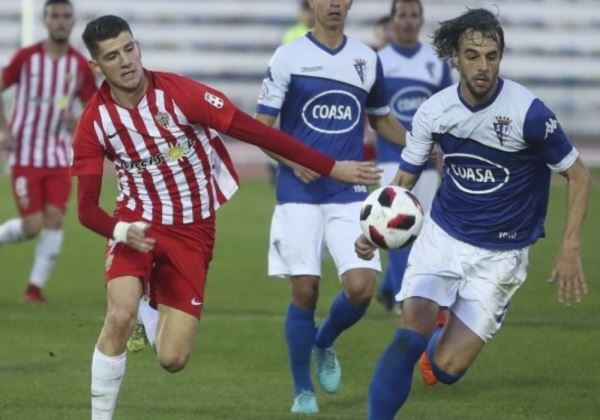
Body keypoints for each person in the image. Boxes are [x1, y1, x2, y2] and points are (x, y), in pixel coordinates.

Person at [73, 15, 380, 420]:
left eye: (129, 48)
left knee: (173, 359)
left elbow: (256, 131)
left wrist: (330, 166)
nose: (126, 61)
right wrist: (120, 230)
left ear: (138, 47)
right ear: (97, 67)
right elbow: (86, 209)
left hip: (192, 231)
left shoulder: (182, 94)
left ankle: (150, 312)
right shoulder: (95, 123)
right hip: (136, 225)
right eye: (112, 56)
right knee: (119, 313)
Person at [355, 9, 591, 419]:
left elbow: (578, 174)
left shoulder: (529, 113)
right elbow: (405, 177)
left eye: (492, 55)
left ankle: (441, 350)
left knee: (446, 369)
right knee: (410, 333)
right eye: (473, 55)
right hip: (443, 237)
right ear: (455, 58)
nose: (483, 66)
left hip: (501, 257)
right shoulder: (435, 111)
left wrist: (570, 245)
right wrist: (374, 230)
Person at [255, 0, 406, 414]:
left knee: (360, 288)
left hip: (349, 192)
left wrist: (421, 144)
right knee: (305, 289)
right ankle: (303, 391)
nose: (335, 3)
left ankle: (323, 342)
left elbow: (382, 119)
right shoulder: (289, 56)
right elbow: (260, 127)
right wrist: (292, 160)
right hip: (298, 192)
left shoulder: (366, 58)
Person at [0, 0, 96, 303]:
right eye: (54, 16)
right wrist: (3, 128)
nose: (60, 21)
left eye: (65, 16)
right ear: (45, 22)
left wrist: (79, 119)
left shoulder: (79, 65)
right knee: (32, 226)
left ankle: (34, 289)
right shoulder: (26, 58)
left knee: (54, 218)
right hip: (25, 155)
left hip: (57, 156)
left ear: (72, 22)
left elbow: (96, 108)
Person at [375, 0, 452, 312]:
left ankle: (394, 289)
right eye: (401, 15)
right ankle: (401, 296)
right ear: (392, 20)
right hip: (390, 158)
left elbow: (447, 110)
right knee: (394, 228)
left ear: (421, 20)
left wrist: (444, 153)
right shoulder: (379, 61)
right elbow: (374, 114)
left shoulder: (435, 62)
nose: (407, 21)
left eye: (413, 15)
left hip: (428, 162)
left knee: (425, 231)